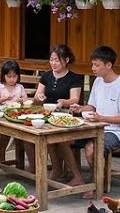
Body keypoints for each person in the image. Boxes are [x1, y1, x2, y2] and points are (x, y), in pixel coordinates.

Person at [70, 45, 120, 199]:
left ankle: (96, 184)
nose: (93, 68)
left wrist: (101, 118)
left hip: (116, 131)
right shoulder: (98, 82)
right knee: (65, 140)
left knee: (92, 148)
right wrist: (80, 108)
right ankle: (77, 177)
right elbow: (92, 106)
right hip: (95, 126)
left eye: (96, 65)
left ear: (109, 65)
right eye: (93, 64)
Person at [33, 45, 85, 184]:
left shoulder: (74, 78)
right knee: (46, 137)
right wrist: (40, 97)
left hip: (66, 116)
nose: (53, 63)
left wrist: (64, 102)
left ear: (66, 60)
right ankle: (56, 169)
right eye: (51, 60)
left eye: (57, 60)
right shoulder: (46, 76)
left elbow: (75, 99)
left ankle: (71, 174)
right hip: (48, 116)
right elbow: (39, 94)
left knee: (60, 139)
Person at [0, 60, 34, 169]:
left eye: (14, 76)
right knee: (4, 137)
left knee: (22, 135)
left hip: (17, 116)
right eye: (9, 77)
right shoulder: (0, 87)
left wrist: (21, 100)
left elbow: (26, 101)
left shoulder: (20, 87)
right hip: (4, 116)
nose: (12, 79)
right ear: (3, 76)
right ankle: (1, 158)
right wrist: (3, 99)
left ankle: (23, 163)